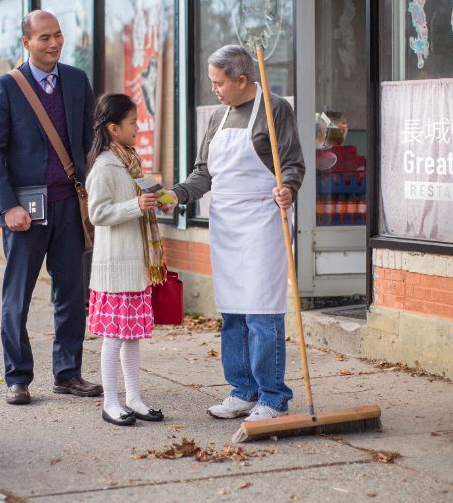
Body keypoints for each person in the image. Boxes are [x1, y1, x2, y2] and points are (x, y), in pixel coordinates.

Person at [163, 44, 304, 422]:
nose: (214, 89)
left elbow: (291, 163)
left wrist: (288, 188)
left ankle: (273, 396)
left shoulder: (275, 110)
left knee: (261, 310)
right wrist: (175, 195)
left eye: (218, 82)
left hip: (263, 218)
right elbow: (203, 173)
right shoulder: (218, 118)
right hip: (226, 222)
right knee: (233, 313)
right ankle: (243, 390)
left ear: (241, 80)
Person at [0, 10, 100, 405]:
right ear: (27, 43)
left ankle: (68, 374)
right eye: (44, 37)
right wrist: (7, 206)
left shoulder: (77, 81)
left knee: (71, 293)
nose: (54, 43)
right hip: (24, 211)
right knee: (18, 297)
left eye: (58, 35)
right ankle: (17, 376)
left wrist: (94, 193)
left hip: (69, 205)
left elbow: (88, 145)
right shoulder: (5, 88)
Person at [84, 93, 168, 426]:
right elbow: (98, 213)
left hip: (135, 264)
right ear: (113, 127)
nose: (138, 128)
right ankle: (111, 401)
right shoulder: (105, 165)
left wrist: (157, 200)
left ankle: (133, 397)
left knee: (132, 334)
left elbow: (136, 200)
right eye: (133, 123)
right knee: (114, 335)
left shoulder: (130, 160)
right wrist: (137, 206)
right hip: (115, 266)